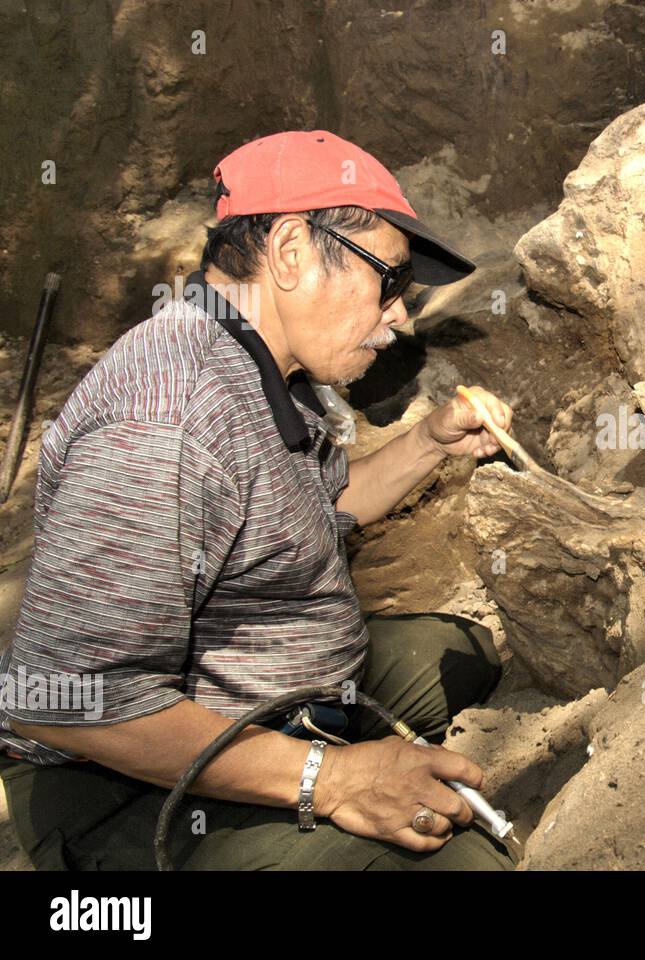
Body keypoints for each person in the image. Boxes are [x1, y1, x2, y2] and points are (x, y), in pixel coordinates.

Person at [0, 130, 517, 870]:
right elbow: (60, 695)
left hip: (265, 694)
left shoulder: (259, 363)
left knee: (465, 653)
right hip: (124, 784)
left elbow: (324, 507)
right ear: (292, 251)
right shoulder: (167, 416)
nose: (399, 317)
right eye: (390, 281)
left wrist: (432, 440)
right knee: (469, 867)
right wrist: (331, 779)